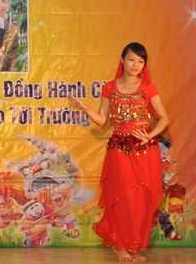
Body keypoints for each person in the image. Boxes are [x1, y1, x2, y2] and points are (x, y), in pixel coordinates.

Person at [68, 42, 170, 262]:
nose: (135, 64)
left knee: (141, 198)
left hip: (145, 151)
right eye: (131, 59)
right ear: (122, 60)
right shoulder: (110, 88)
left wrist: (150, 135)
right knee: (123, 197)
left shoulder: (147, 87)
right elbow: (101, 120)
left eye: (140, 61)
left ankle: (133, 246)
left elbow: (164, 118)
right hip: (120, 149)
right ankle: (120, 245)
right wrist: (85, 108)